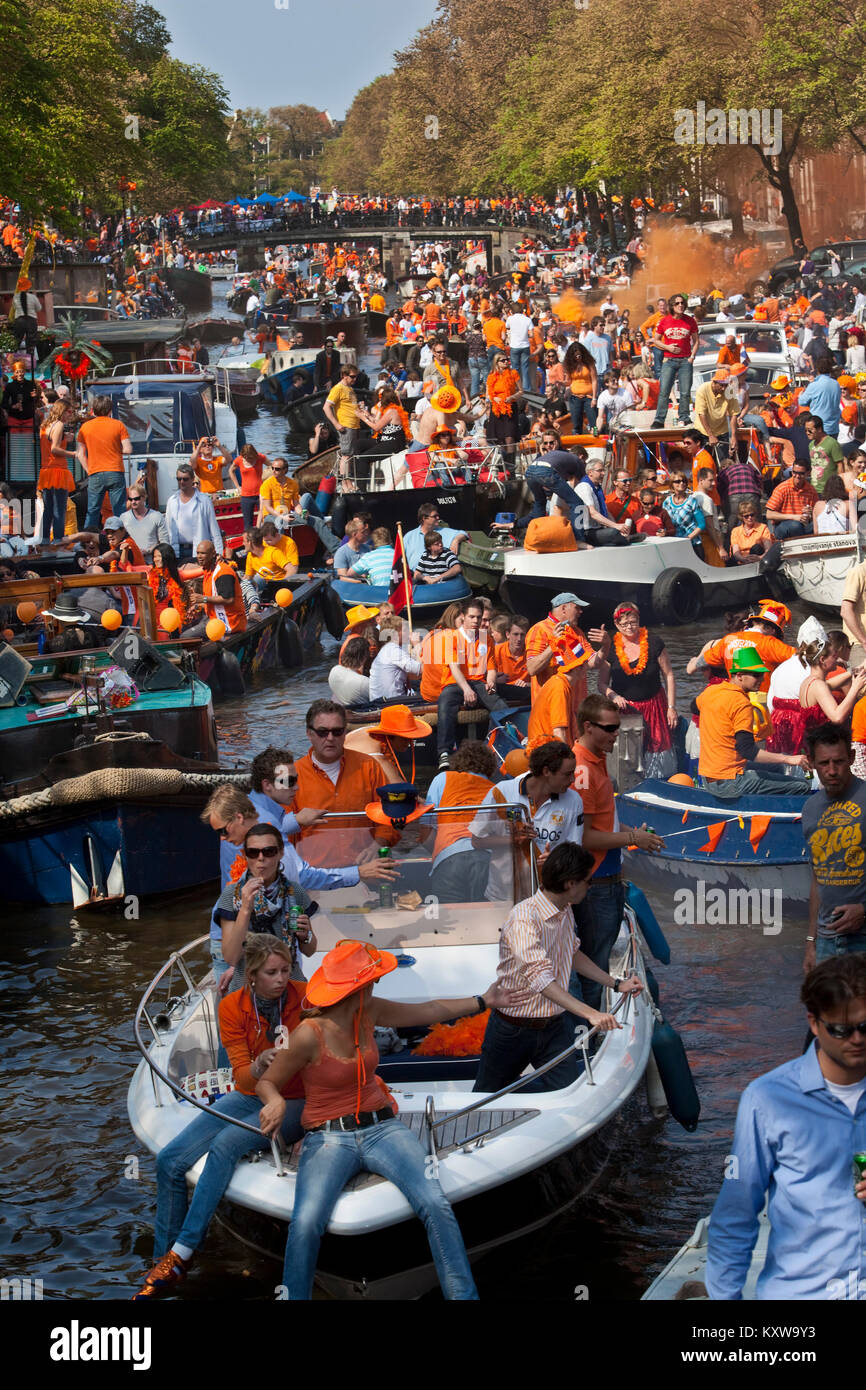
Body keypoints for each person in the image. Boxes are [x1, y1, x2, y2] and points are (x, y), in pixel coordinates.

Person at [257, 939, 510, 1300]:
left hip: (383, 1128)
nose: (376, 984)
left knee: (435, 1204)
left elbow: (430, 1009)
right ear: (359, 987)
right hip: (329, 1137)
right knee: (307, 1222)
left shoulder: (370, 1011)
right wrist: (275, 1101)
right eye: (372, 980)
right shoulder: (308, 1035)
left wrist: (484, 1001)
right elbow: (268, 1081)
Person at [132, 936, 307, 1299]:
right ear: (253, 976)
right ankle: (162, 1262)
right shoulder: (231, 1007)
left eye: (285, 970)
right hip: (248, 1094)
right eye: (271, 972)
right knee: (169, 1161)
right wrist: (258, 1066)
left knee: (227, 1145)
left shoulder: (306, 998)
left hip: (296, 1100)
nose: (280, 979)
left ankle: (184, 1253)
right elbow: (242, 1076)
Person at [705, 954, 866, 1300]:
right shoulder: (766, 1099)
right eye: (841, 1029)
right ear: (814, 1023)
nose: (857, 1039)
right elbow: (735, 1216)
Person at [473, 843, 643, 1093]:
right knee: (484, 1100)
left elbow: (572, 954)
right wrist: (591, 1013)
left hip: (553, 1027)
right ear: (569, 884)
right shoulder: (523, 919)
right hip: (513, 1031)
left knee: (573, 1093)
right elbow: (540, 980)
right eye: (588, 881)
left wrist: (616, 983)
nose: (590, 886)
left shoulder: (564, 910)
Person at [572, 695, 665, 1009]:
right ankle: (590, 1030)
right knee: (595, 962)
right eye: (610, 728)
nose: (616, 734)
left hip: (608, 879)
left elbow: (604, 822)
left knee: (598, 955)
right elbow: (583, 836)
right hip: (595, 883)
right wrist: (631, 838)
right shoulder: (582, 769)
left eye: (618, 727)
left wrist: (634, 836)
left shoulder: (595, 761)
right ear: (588, 726)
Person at [288, 699, 394, 866]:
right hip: (315, 875)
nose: (330, 738)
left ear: (345, 732)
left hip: (364, 870)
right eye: (323, 732)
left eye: (337, 732)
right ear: (309, 733)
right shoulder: (289, 776)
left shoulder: (369, 766)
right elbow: (278, 829)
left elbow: (389, 816)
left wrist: (378, 844)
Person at [695, 645, 809, 796]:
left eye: (762, 675)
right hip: (730, 783)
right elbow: (748, 750)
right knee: (802, 785)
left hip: (707, 777)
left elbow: (694, 707)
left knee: (776, 768)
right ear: (740, 675)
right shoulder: (741, 703)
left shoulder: (711, 691)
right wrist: (789, 759)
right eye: (756, 675)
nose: (762, 680)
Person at [596, 602, 678, 777]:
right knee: (628, 755)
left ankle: (659, 781)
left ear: (639, 620)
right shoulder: (610, 648)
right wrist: (614, 696)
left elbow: (669, 675)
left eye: (633, 622)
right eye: (624, 624)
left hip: (655, 705)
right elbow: (601, 684)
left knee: (657, 751)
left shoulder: (655, 643)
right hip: (626, 709)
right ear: (617, 625)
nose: (629, 627)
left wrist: (671, 708)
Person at [435, 598, 510, 768]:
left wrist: (491, 681)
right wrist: (466, 690)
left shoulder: (486, 639)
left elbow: (491, 667)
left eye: (478, 617)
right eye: (472, 617)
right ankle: (444, 752)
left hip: (477, 681)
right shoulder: (451, 637)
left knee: (499, 705)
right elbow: (454, 668)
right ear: (463, 617)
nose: (476, 621)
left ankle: (503, 743)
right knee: (445, 704)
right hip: (454, 682)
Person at [423, 742, 499, 903]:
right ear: (490, 767)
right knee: (486, 922)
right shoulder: (497, 790)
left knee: (450, 924)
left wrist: (440, 852)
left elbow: (425, 829)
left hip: (449, 858)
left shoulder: (442, 779)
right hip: (487, 860)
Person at [526, 591, 600, 701]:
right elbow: (532, 669)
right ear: (564, 608)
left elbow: (592, 661)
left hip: (576, 708)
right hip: (550, 706)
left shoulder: (577, 631)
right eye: (577, 608)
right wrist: (553, 645)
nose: (580, 612)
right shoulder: (539, 629)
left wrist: (606, 646)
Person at [76, 394, 133, 529]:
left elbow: (80, 454)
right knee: (119, 510)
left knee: (92, 511)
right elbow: (128, 449)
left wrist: (89, 470)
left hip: (95, 472)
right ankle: (121, 541)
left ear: (93, 410)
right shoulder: (118, 425)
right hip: (115, 470)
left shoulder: (85, 427)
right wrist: (114, 449)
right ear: (110, 410)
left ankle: (88, 541)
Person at [521, 430, 588, 541]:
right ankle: (579, 539)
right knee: (577, 502)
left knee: (539, 503)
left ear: (556, 442)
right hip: (545, 472)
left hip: (530, 471)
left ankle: (538, 537)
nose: (548, 446)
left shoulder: (557, 456)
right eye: (546, 443)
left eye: (551, 443)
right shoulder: (578, 462)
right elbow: (582, 485)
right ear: (582, 457)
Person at [649, 293, 699, 429]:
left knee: (685, 391)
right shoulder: (664, 321)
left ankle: (685, 417)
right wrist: (668, 347)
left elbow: (696, 341)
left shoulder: (690, 321)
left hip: (685, 361)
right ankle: (659, 419)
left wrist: (692, 357)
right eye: (677, 303)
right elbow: (656, 340)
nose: (680, 305)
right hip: (669, 360)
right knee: (664, 390)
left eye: (682, 303)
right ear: (672, 306)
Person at [184, 539, 246, 636]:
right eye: (198, 553)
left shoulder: (223, 572)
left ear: (213, 554)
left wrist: (203, 599)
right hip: (213, 617)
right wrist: (198, 606)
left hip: (228, 622)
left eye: (203, 553)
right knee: (184, 629)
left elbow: (228, 599)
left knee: (185, 637)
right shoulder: (208, 571)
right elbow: (216, 601)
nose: (199, 556)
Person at [165, 465, 224, 562]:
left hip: (199, 552)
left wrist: (219, 553)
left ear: (192, 479)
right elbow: (168, 529)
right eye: (179, 479)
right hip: (177, 551)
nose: (182, 482)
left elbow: (214, 529)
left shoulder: (204, 500)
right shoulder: (172, 501)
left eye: (185, 479)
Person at [527, 653, 586, 748]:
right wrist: (566, 760)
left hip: (548, 751)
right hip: (547, 756)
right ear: (578, 667)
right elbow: (558, 732)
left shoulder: (561, 683)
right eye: (584, 662)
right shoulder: (559, 688)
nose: (586, 666)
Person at [37, 401, 76, 544]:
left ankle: (45, 539)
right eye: (69, 412)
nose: (70, 415)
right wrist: (72, 453)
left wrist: (65, 438)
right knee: (59, 508)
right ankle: (58, 539)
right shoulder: (59, 425)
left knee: (48, 508)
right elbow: (54, 448)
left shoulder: (45, 424)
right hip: (58, 470)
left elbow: (49, 443)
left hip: (46, 470)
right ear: (62, 411)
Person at [576, 458, 631, 546]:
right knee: (613, 533)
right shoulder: (584, 487)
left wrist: (619, 527)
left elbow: (606, 512)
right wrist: (615, 526)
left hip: (597, 529)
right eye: (600, 471)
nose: (604, 473)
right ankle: (627, 539)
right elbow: (593, 513)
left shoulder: (597, 488)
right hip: (586, 532)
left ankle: (626, 538)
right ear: (590, 472)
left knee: (616, 533)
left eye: (603, 470)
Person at [368, 616, 422, 702]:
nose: (409, 632)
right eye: (405, 630)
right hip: (389, 702)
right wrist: (417, 645)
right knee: (429, 696)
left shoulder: (388, 648)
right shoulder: (393, 650)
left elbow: (415, 676)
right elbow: (420, 669)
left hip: (381, 700)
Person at [402, 503, 468, 572]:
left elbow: (463, 533)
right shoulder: (409, 537)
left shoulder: (443, 531)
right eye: (435, 516)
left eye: (438, 515)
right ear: (424, 518)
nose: (438, 518)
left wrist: (456, 540)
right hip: (416, 578)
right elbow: (399, 558)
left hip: (440, 578)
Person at [766, 458, 819, 539]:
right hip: (782, 526)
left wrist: (811, 513)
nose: (797, 476)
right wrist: (794, 517)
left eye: (801, 473)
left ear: (808, 473)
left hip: (803, 526)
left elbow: (818, 514)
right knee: (795, 525)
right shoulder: (782, 488)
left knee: (819, 524)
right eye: (794, 472)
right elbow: (769, 514)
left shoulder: (811, 490)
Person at [693, 369, 739, 458]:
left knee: (724, 464)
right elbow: (701, 414)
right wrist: (711, 435)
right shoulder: (702, 389)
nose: (723, 388)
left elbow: (734, 414)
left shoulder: (730, 391)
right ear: (714, 382)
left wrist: (733, 436)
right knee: (705, 464)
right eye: (721, 385)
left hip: (722, 431)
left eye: (726, 385)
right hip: (703, 432)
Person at [148, 543, 191, 630]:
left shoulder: (177, 575)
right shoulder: (149, 573)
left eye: (159, 556)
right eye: (154, 556)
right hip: (149, 617)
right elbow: (127, 566)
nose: (156, 559)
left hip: (166, 619)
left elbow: (202, 570)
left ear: (167, 557)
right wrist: (125, 551)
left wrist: (216, 559)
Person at [661, 472, 706, 553]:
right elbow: (663, 523)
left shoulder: (692, 501)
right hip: (673, 544)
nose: (681, 483)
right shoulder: (667, 502)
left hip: (693, 545)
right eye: (678, 481)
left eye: (684, 481)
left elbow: (702, 524)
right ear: (672, 484)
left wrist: (687, 538)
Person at [228, 444, 268, 530]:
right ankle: (249, 541)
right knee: (247, 524)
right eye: (246, 457)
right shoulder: (239, 460)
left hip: (261, 494)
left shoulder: (260, 457)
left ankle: (264, 540)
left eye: (250, 457)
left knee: (264, 520)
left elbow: (272, 467)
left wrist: (267, 483)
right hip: (246, 496)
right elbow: (231, 471)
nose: (248, 459)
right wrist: (238, 487)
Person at [121, 483, 168, 554]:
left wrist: (148, 551)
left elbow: (164, 543)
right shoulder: (123, 518)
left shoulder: (157, 516)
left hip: (151, 561)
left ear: (144, 497)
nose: (133, 502)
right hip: (131, 562)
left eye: (136, 499)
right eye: (130, 499)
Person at [328, 634, 371, 705]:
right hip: (360, 713)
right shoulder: (364, 682)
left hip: (341, 707)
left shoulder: (334, 670)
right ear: (364, 657)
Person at [258, 457, 300, 523]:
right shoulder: (266, 484)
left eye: (277, 469)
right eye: (272, 468)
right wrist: (282, 517)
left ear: (285, 470)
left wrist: (302, 513)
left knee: (315, 520)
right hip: (270, 516)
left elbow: (296, 504)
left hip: (286, 514)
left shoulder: (293, 484)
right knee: (281, 521)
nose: (273, 471)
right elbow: (268, 507)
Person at [333, 514, 372, 580]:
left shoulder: (367, 549)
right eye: (363, 532)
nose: (366, 534)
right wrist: (361, 582)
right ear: (354, 534)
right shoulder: (341, 553)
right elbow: (343, 578)